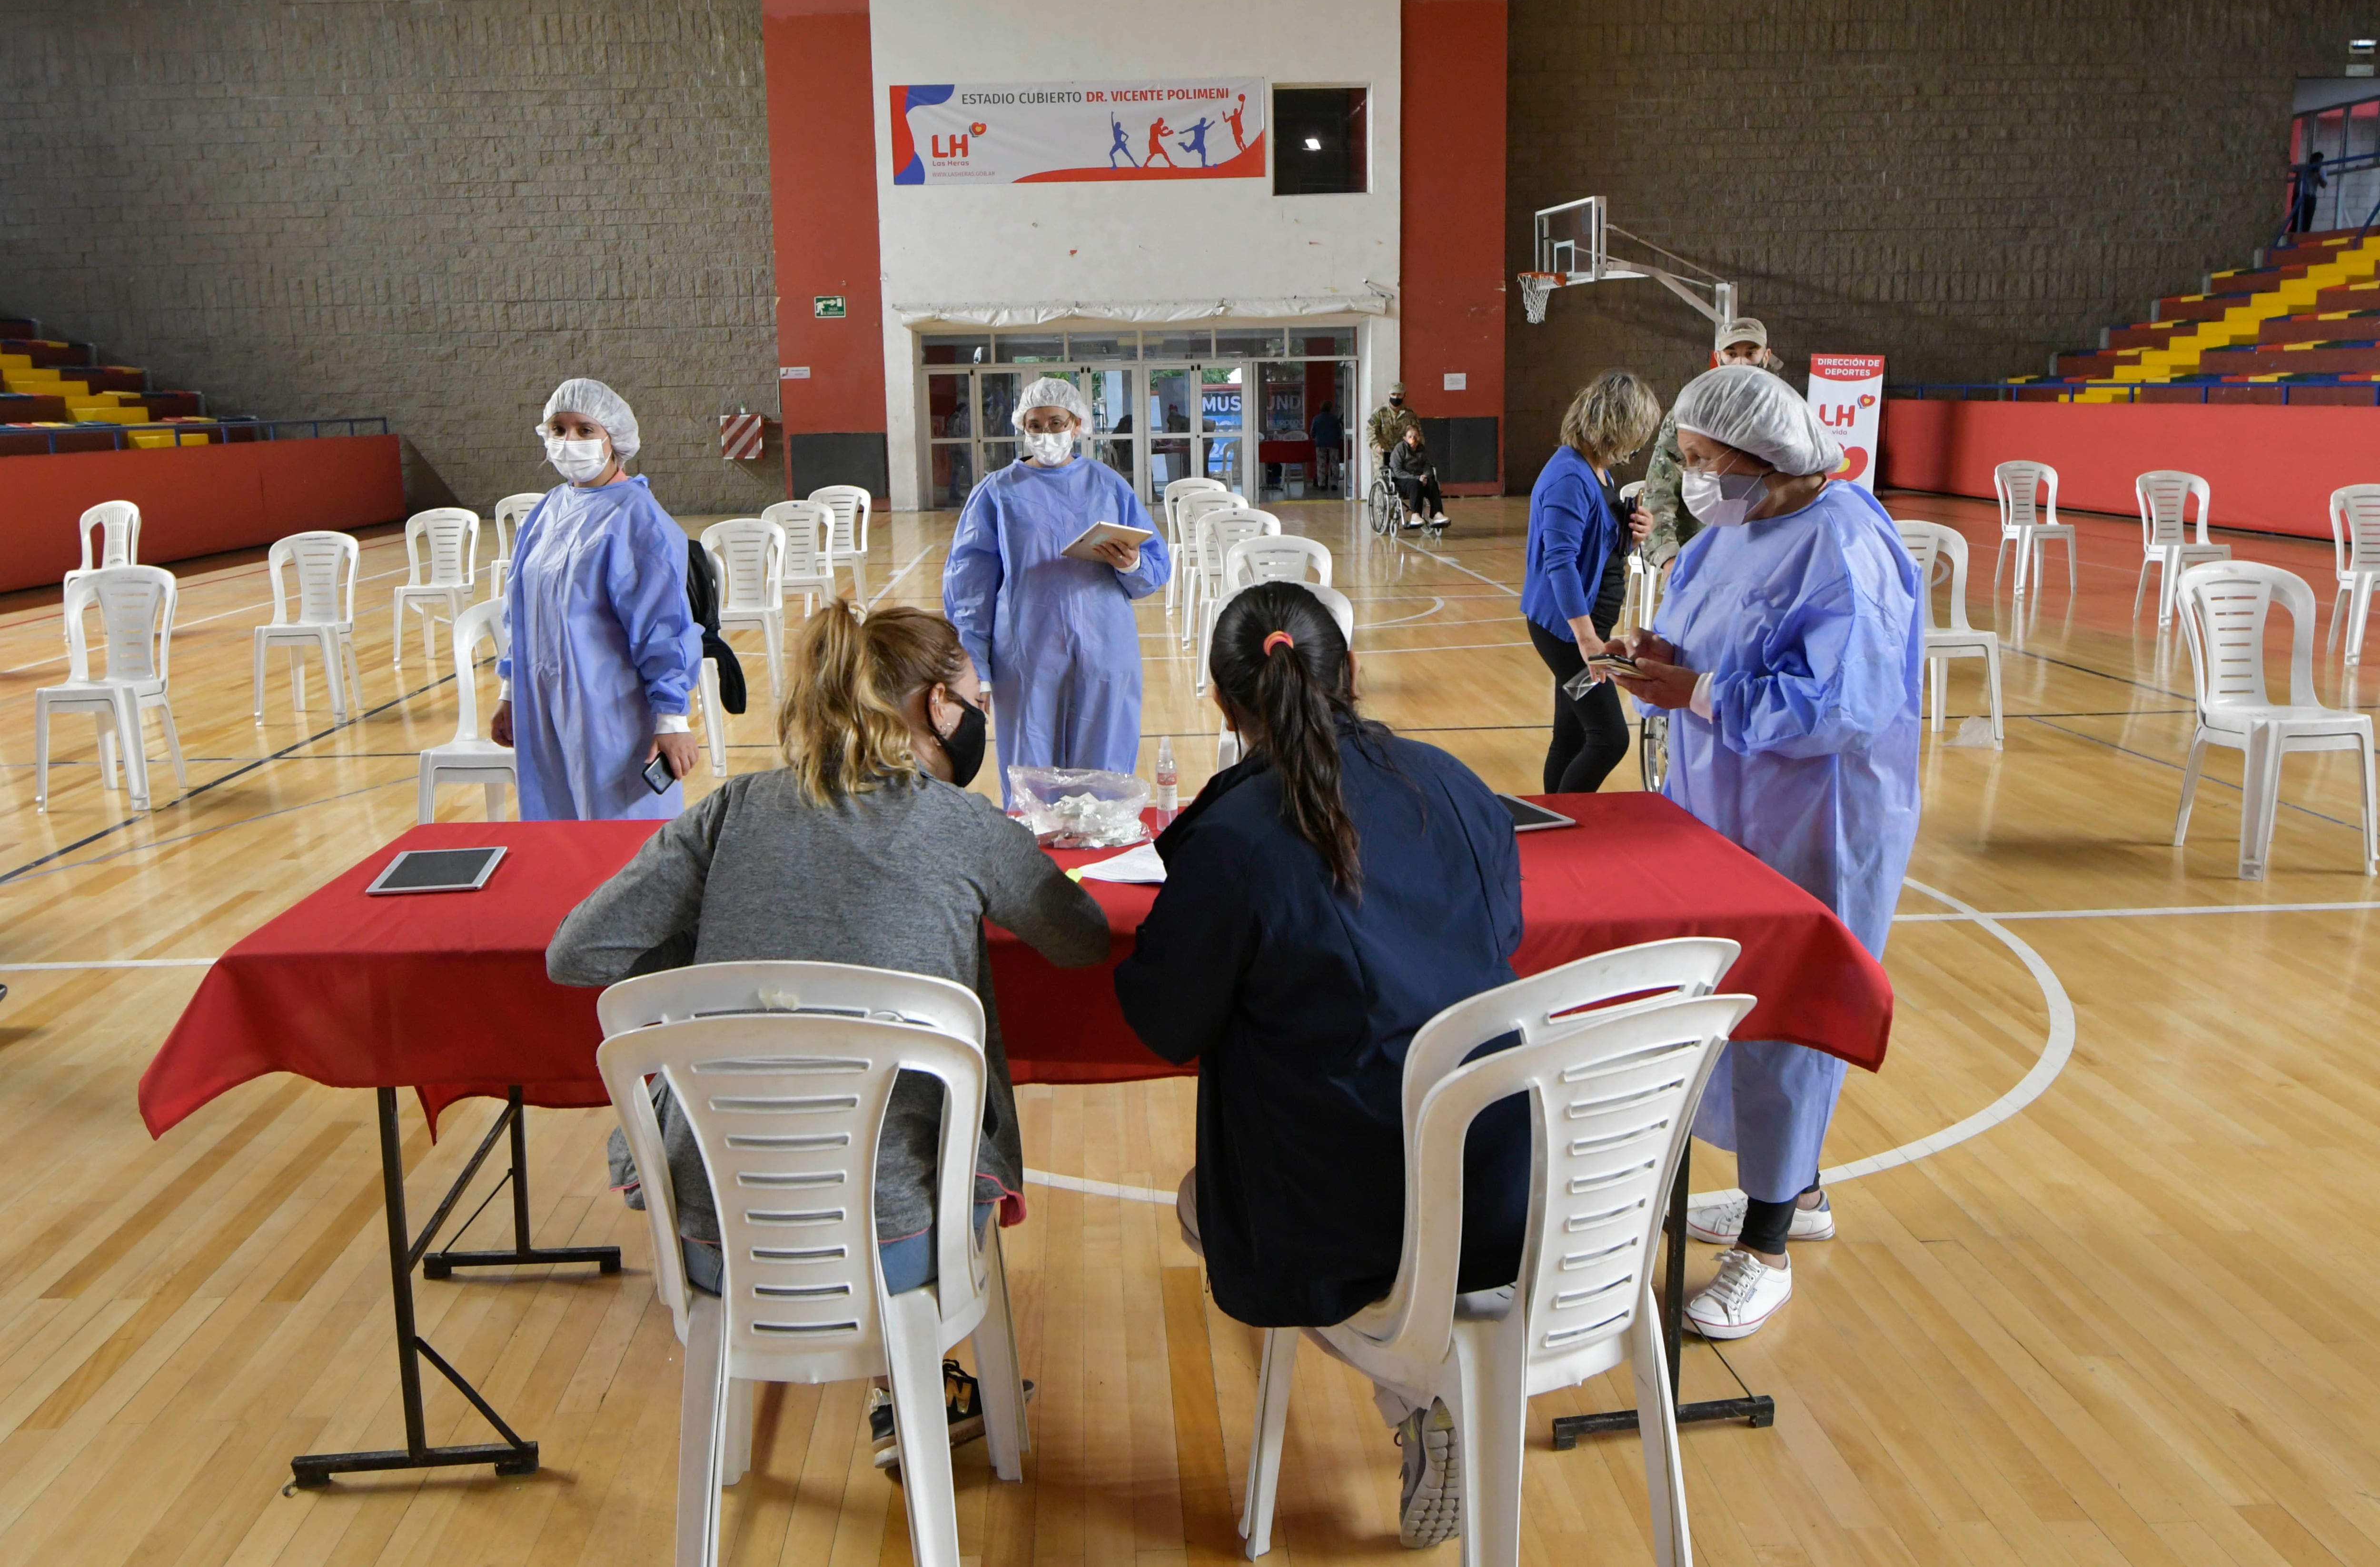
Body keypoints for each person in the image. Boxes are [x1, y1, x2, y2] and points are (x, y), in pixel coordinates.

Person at [550, 600, 1111, 1469]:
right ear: (936, 707)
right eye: (974, 696)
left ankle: (887, 1389)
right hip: (896, 1233)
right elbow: (1080, 939)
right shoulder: (961, 826)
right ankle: (912, 1376)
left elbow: (577, 951)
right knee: (912, 1135)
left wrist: (715, 943)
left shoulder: (731, 811)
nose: (982, 713)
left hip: (718, 1231)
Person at [1114, 580, 1524, 1550]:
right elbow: (1500, 931)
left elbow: (1167, 1021)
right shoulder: (1456, 785)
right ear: (1355, 675)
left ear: (1222, 707)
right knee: (1391, 1141)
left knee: (1202, 1201)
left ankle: (1418, 1385)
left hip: (1344, 1215)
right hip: (1506, 1184)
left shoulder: (1231, 838)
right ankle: (1436, 1367)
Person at [1599, 363, 1923, 1340]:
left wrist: (1696, 693)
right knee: (1725, 1004)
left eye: (1703, 460)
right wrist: (1651, 658)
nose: (1693, 480)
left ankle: (1769, 1246)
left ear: (1762, 455)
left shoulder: (1845, 547)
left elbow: (1838, 707)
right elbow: (1697, 636)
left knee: (1786, 1011)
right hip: (1720, 810)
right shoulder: (1727, 534)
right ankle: (1795, 1190)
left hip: (1810, 817)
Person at [942, 375, 1172, 804]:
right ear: (1022, 428)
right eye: (1036, 425)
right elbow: (969, 589)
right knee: (1032, 777)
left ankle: (1098, 858)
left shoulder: (1108, 486)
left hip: (1105, 647)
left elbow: (1155, 567)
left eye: (1056, 422)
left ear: (1078, 424)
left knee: (1102, 775)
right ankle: (1034, 861)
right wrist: (977, 666)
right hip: (1027, 655)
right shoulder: (997, 494)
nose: (1047, 434)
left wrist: (1132, 563)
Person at [494, 378, 703, 820]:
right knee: (557, 833)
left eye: (585, 430)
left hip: (611, 714)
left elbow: (663, 628)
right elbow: (521, 609)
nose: (569, 441)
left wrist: (671, 720)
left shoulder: (638, 519)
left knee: (621, 841)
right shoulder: (548, 510)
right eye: (558, 429)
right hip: (543, 705)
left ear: (615, 440)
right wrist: (510, 692)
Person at [1521, 371, 1662, 793]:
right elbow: (1560, 560)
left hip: (1586, 625)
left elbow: (1594, 547)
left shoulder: (1596, 471)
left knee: (1572, 735)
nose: (1638, 444)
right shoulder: (1570, 477)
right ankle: (1568, 831)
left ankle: (1556, 826)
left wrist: (1633, 532)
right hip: (1570, 631)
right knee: (1609, 737)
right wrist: (1586, 641)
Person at [1636, 317, 1775, 557]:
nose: (1741, 362)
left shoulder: (1781, 414)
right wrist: (1668, 558)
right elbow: (1661, 489)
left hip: (1762, 552)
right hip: (1699, 550)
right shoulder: (1691, 412)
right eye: (1732, 354)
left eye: (1751, 353)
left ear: (1766, 355)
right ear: (1718, 356)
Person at [1386, 423, 1447, 530]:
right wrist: (1417, 478)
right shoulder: (1400, 449)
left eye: (1416, 436)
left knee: (1432, 483)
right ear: (1405, 438)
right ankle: (1416, 515)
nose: (1413, 439)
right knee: (1415, 484)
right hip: (1402, 479)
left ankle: (1437, 514)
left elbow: (1428, 465)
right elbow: (1397, 471)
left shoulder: (1421, 449)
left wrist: (1425, 476)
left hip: (1419, 478)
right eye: (1410, 436)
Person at [1366, 381, 1421, 473]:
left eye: (1399, 395)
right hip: (1383, 453)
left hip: (1404, 453)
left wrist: (1416, 446)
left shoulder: (1410, 414)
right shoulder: (1380, 413)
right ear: (1389, 395)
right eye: (1393, 394)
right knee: (1383, 477)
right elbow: (1371, 431)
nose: (1396, 397)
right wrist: (1377, 446)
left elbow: (1418, 433)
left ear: (1404, 395)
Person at [1309, 401, 1343, 492]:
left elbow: (1312, 433)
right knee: (1335, 464)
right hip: (1333, 443)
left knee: (1321, 464)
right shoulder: (1334, 419)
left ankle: (1322, 484)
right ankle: (1334, 484)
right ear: (1330, 408)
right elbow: (1340, 432)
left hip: (1320, 444)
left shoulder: (1317, 419)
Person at [2291, 150, 2326, 235]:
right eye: (2316, 161)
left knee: (2307, 223)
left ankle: (2302, 242)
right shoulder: (2303, 168)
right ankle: (2290, 241)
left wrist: (2318, 174)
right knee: (2296, 221)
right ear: (2311, 160)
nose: (2317, 163)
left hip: (2311, 198)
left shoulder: (2321, 171)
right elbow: (2290, 168)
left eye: (2319, 162)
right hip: (2300, 196)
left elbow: (2324, 185)